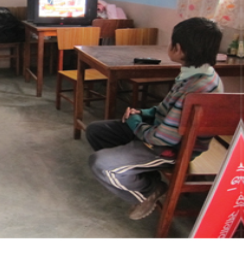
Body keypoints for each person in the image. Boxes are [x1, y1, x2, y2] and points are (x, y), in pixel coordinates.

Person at [86, 17, 224, 220]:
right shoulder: (195, 74)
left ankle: (148, 191)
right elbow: (165, 109)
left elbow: (164, 138)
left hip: (175, 148)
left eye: (171, 42)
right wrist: (143, 113)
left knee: (100, 164)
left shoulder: (197, 87)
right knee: (97, 130)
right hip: (164, 132)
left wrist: (135, 123)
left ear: (179, 49)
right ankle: (142, 175)